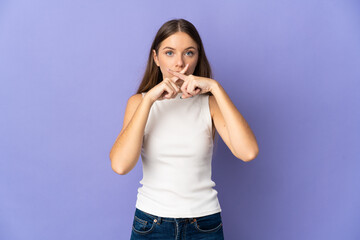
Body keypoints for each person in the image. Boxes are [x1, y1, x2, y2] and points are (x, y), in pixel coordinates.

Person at [109, 18, 259, 240]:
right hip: (151, 224)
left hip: (204, 225)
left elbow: (248, 152)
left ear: (198, 58)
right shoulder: (138, 103)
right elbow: (121, 165)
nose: (179, 63)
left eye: (189, 53)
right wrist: (149, 99)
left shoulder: (210, 104)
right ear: (156, 58)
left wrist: (216, 88)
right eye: (169, 52)